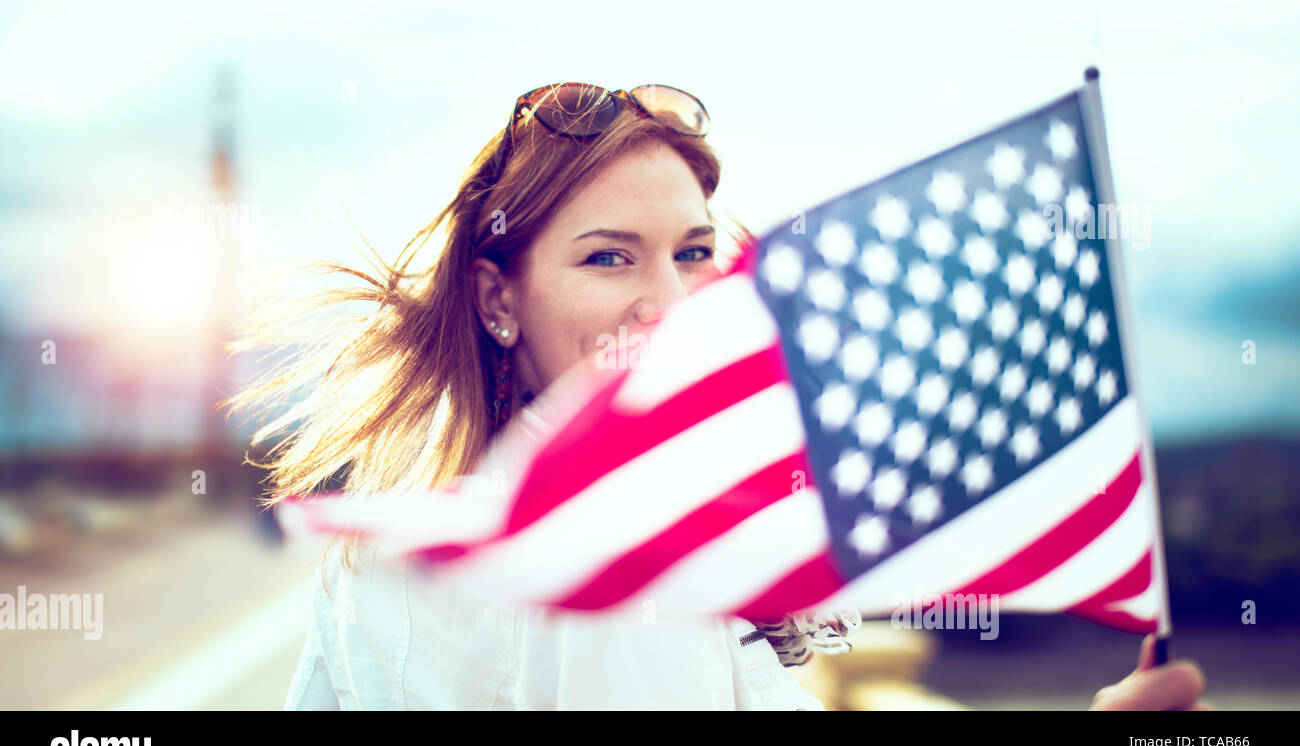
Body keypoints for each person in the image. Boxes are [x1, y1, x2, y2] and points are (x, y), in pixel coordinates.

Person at [222, 82, 1210, 711]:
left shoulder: (399, 546)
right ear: (496, 297)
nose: (674, 302)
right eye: (609, 257)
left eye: (696, 253)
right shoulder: (601, 574)